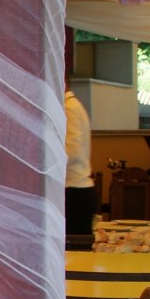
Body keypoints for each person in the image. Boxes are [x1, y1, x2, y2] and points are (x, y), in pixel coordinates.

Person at [64, 87, 96, 237]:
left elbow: (72, 152)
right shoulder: (70, 107)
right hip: (74, 190)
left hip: (74, 190)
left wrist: (42, 163)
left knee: (75, 245)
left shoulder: (69, 109)